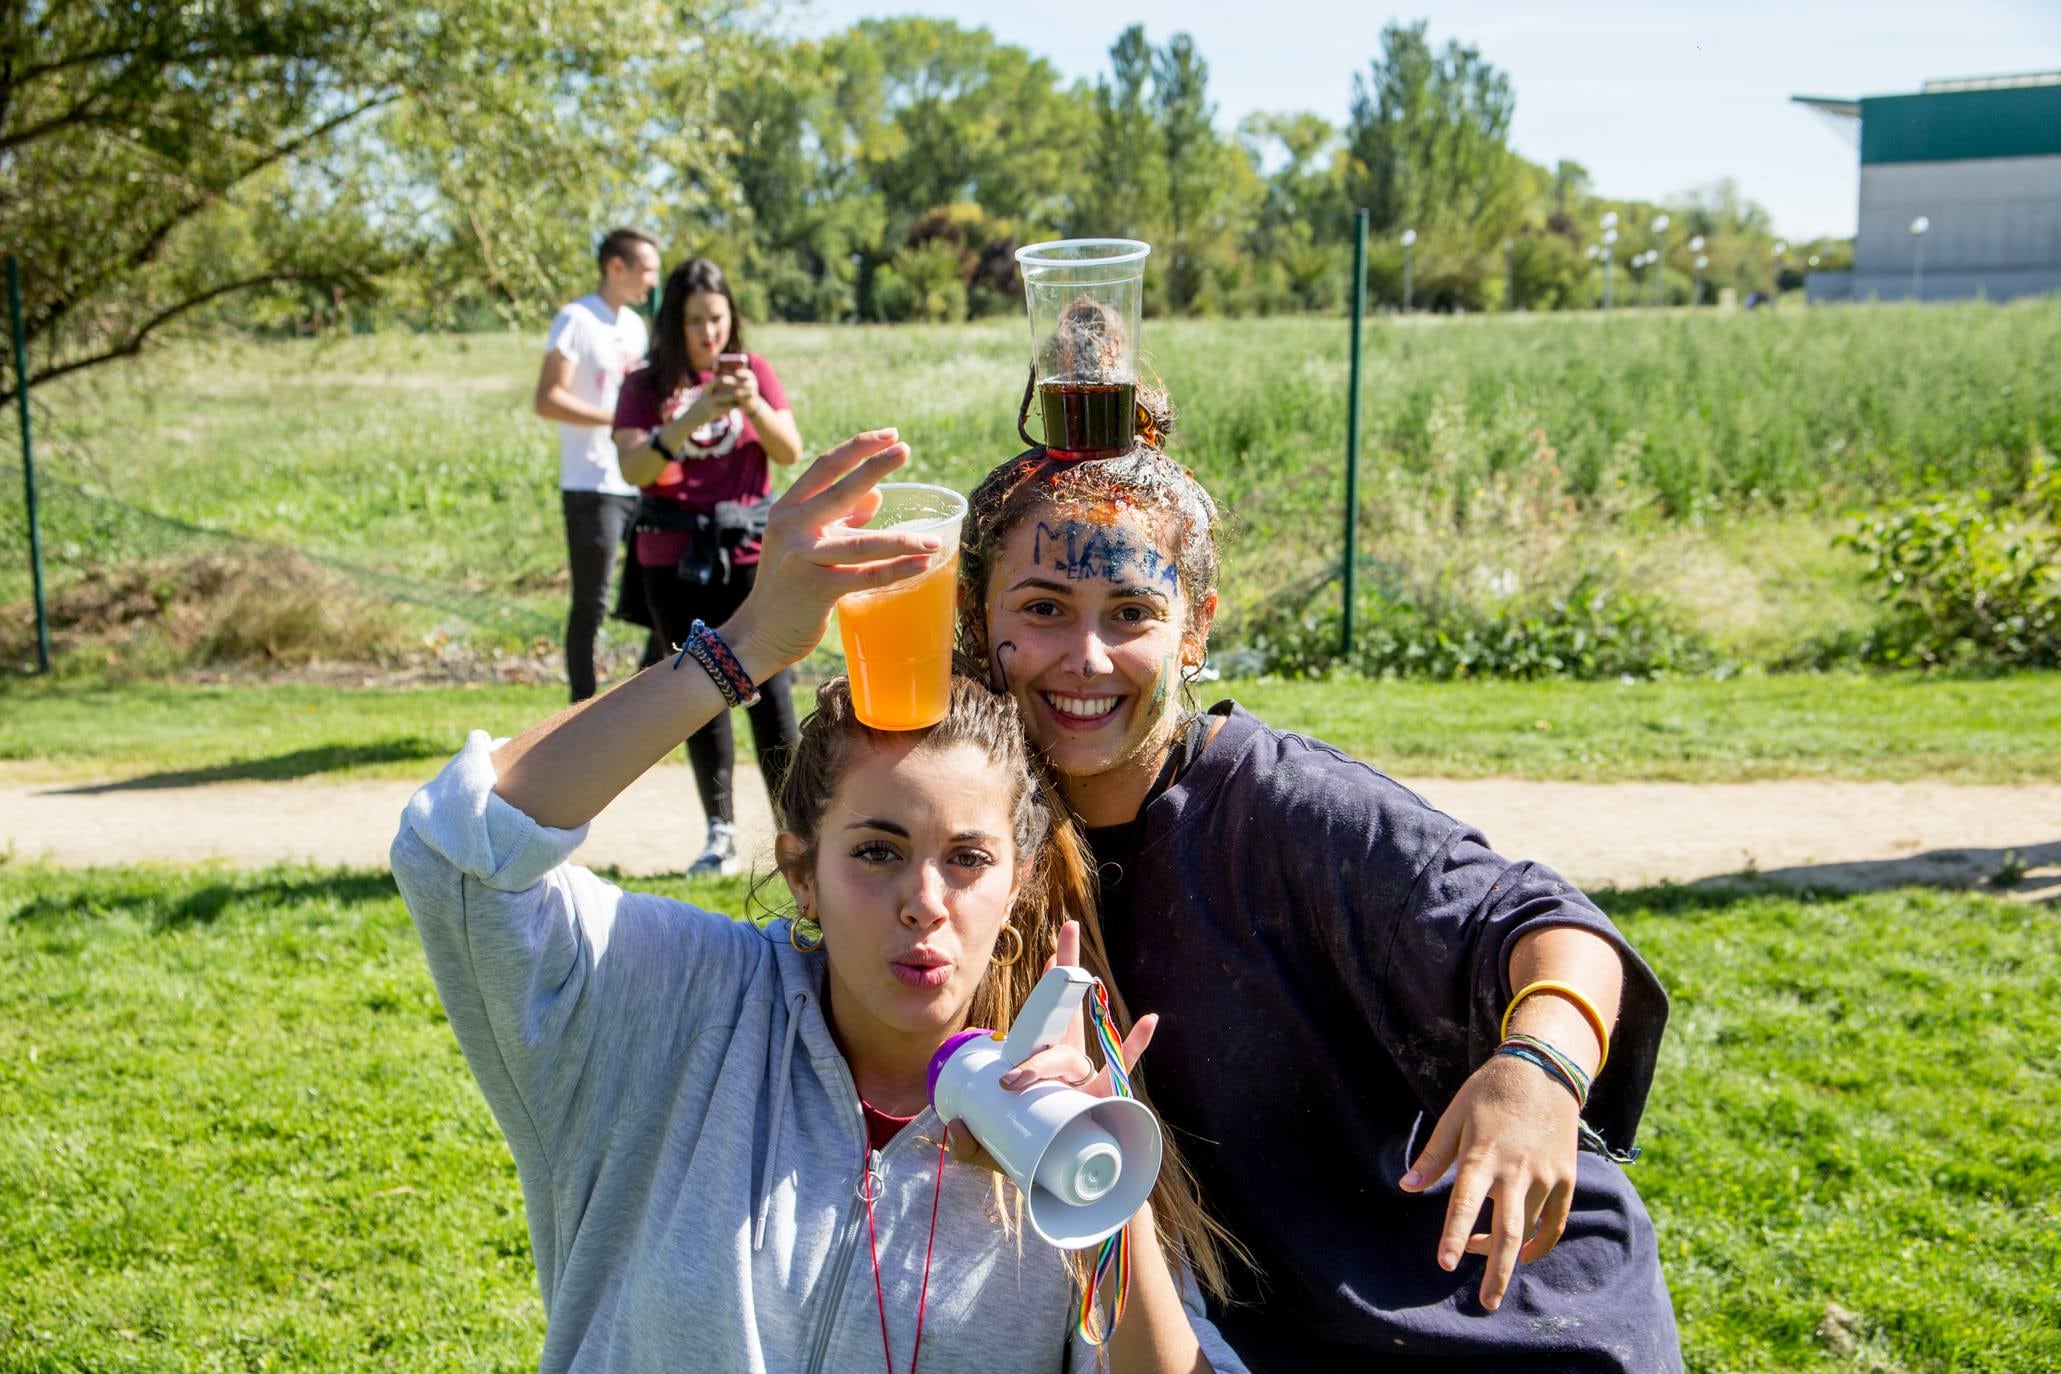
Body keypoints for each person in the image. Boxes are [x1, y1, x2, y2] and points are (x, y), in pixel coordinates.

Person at [390, 432, 1247, 1374]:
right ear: (800, 870)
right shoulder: (679, 1007)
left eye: (967, 859)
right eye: (877, 852)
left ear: (1021, 880)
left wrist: (1099, 1204)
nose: (924, 901)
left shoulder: (1057, 1120)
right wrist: (747, 645)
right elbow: (462, 849)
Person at [956, 394, 1684, 1372]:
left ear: (1196, 628)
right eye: (1043, 608)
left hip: (1513, 1325)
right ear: (978, 615)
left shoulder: (1292, 810)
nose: (1085, 657)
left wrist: (1538, 1072)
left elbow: (1551, 926)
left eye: (1132, 613)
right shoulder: (979, 830)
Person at [613, 258, 803, 877]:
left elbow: (789, 449)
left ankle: (794, 832)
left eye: (717, 319)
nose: (708, 334)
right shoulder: (644, 385)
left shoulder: (757, 375)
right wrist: (693, 413)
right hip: (674, 559)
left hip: (749, 551)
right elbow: (635, 470)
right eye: (694, 321)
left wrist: (751, 404)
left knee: (772, 687)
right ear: (673, 323)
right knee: (699, 690)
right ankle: (718, 832)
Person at [534, 227, 663, 704]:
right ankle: (580, 713)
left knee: (656, 598)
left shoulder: (634, 326)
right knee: (593, 604)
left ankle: (634, 704)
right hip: (591, 484)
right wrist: (617, 420)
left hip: (637, 479)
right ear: (616, 267)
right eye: (646, 269)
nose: (653, 279)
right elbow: (547, 399)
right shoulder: (575, 319)